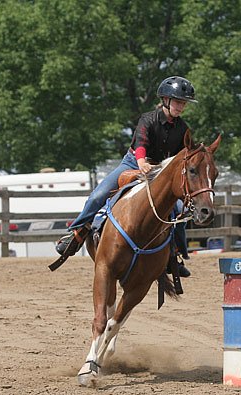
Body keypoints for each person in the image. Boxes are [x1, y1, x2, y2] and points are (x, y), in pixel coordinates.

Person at [55, 76, 197, 276]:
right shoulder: (148, 119)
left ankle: (174, 255)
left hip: (160, 172)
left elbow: (183, 157)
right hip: (132, 163)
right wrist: (141, 163)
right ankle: (75, 234)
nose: (181, 107)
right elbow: (140, 143)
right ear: (165, 99)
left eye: (184, 103)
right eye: (178, 102)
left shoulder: (183, 129)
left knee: (179, 210)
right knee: (98, 195)